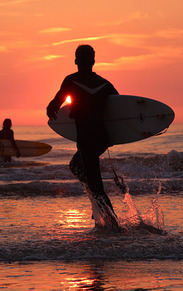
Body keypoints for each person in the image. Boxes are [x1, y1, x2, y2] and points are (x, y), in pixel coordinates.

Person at [46, 44, 120, 230]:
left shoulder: (71, 81)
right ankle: (98, 211)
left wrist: (55, 111)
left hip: (87, 139)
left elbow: (54, 106)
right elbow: (120, 108)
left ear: (76, 61)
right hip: (102, 138)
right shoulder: (105, 84)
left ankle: (115, 226)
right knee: (76, 166)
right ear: (93, 61)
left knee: (95, 184)